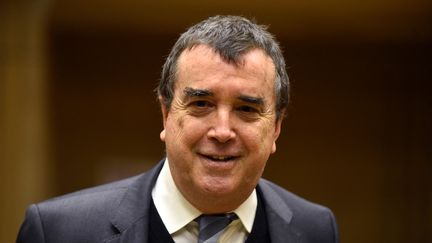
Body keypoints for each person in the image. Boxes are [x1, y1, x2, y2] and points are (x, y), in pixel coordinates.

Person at [17, 15, 339, 243]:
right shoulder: (59, 232)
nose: (222, 131)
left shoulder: (316, 229)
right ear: (166, 115)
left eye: (246, 109)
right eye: (201, 104)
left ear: (276, 129)